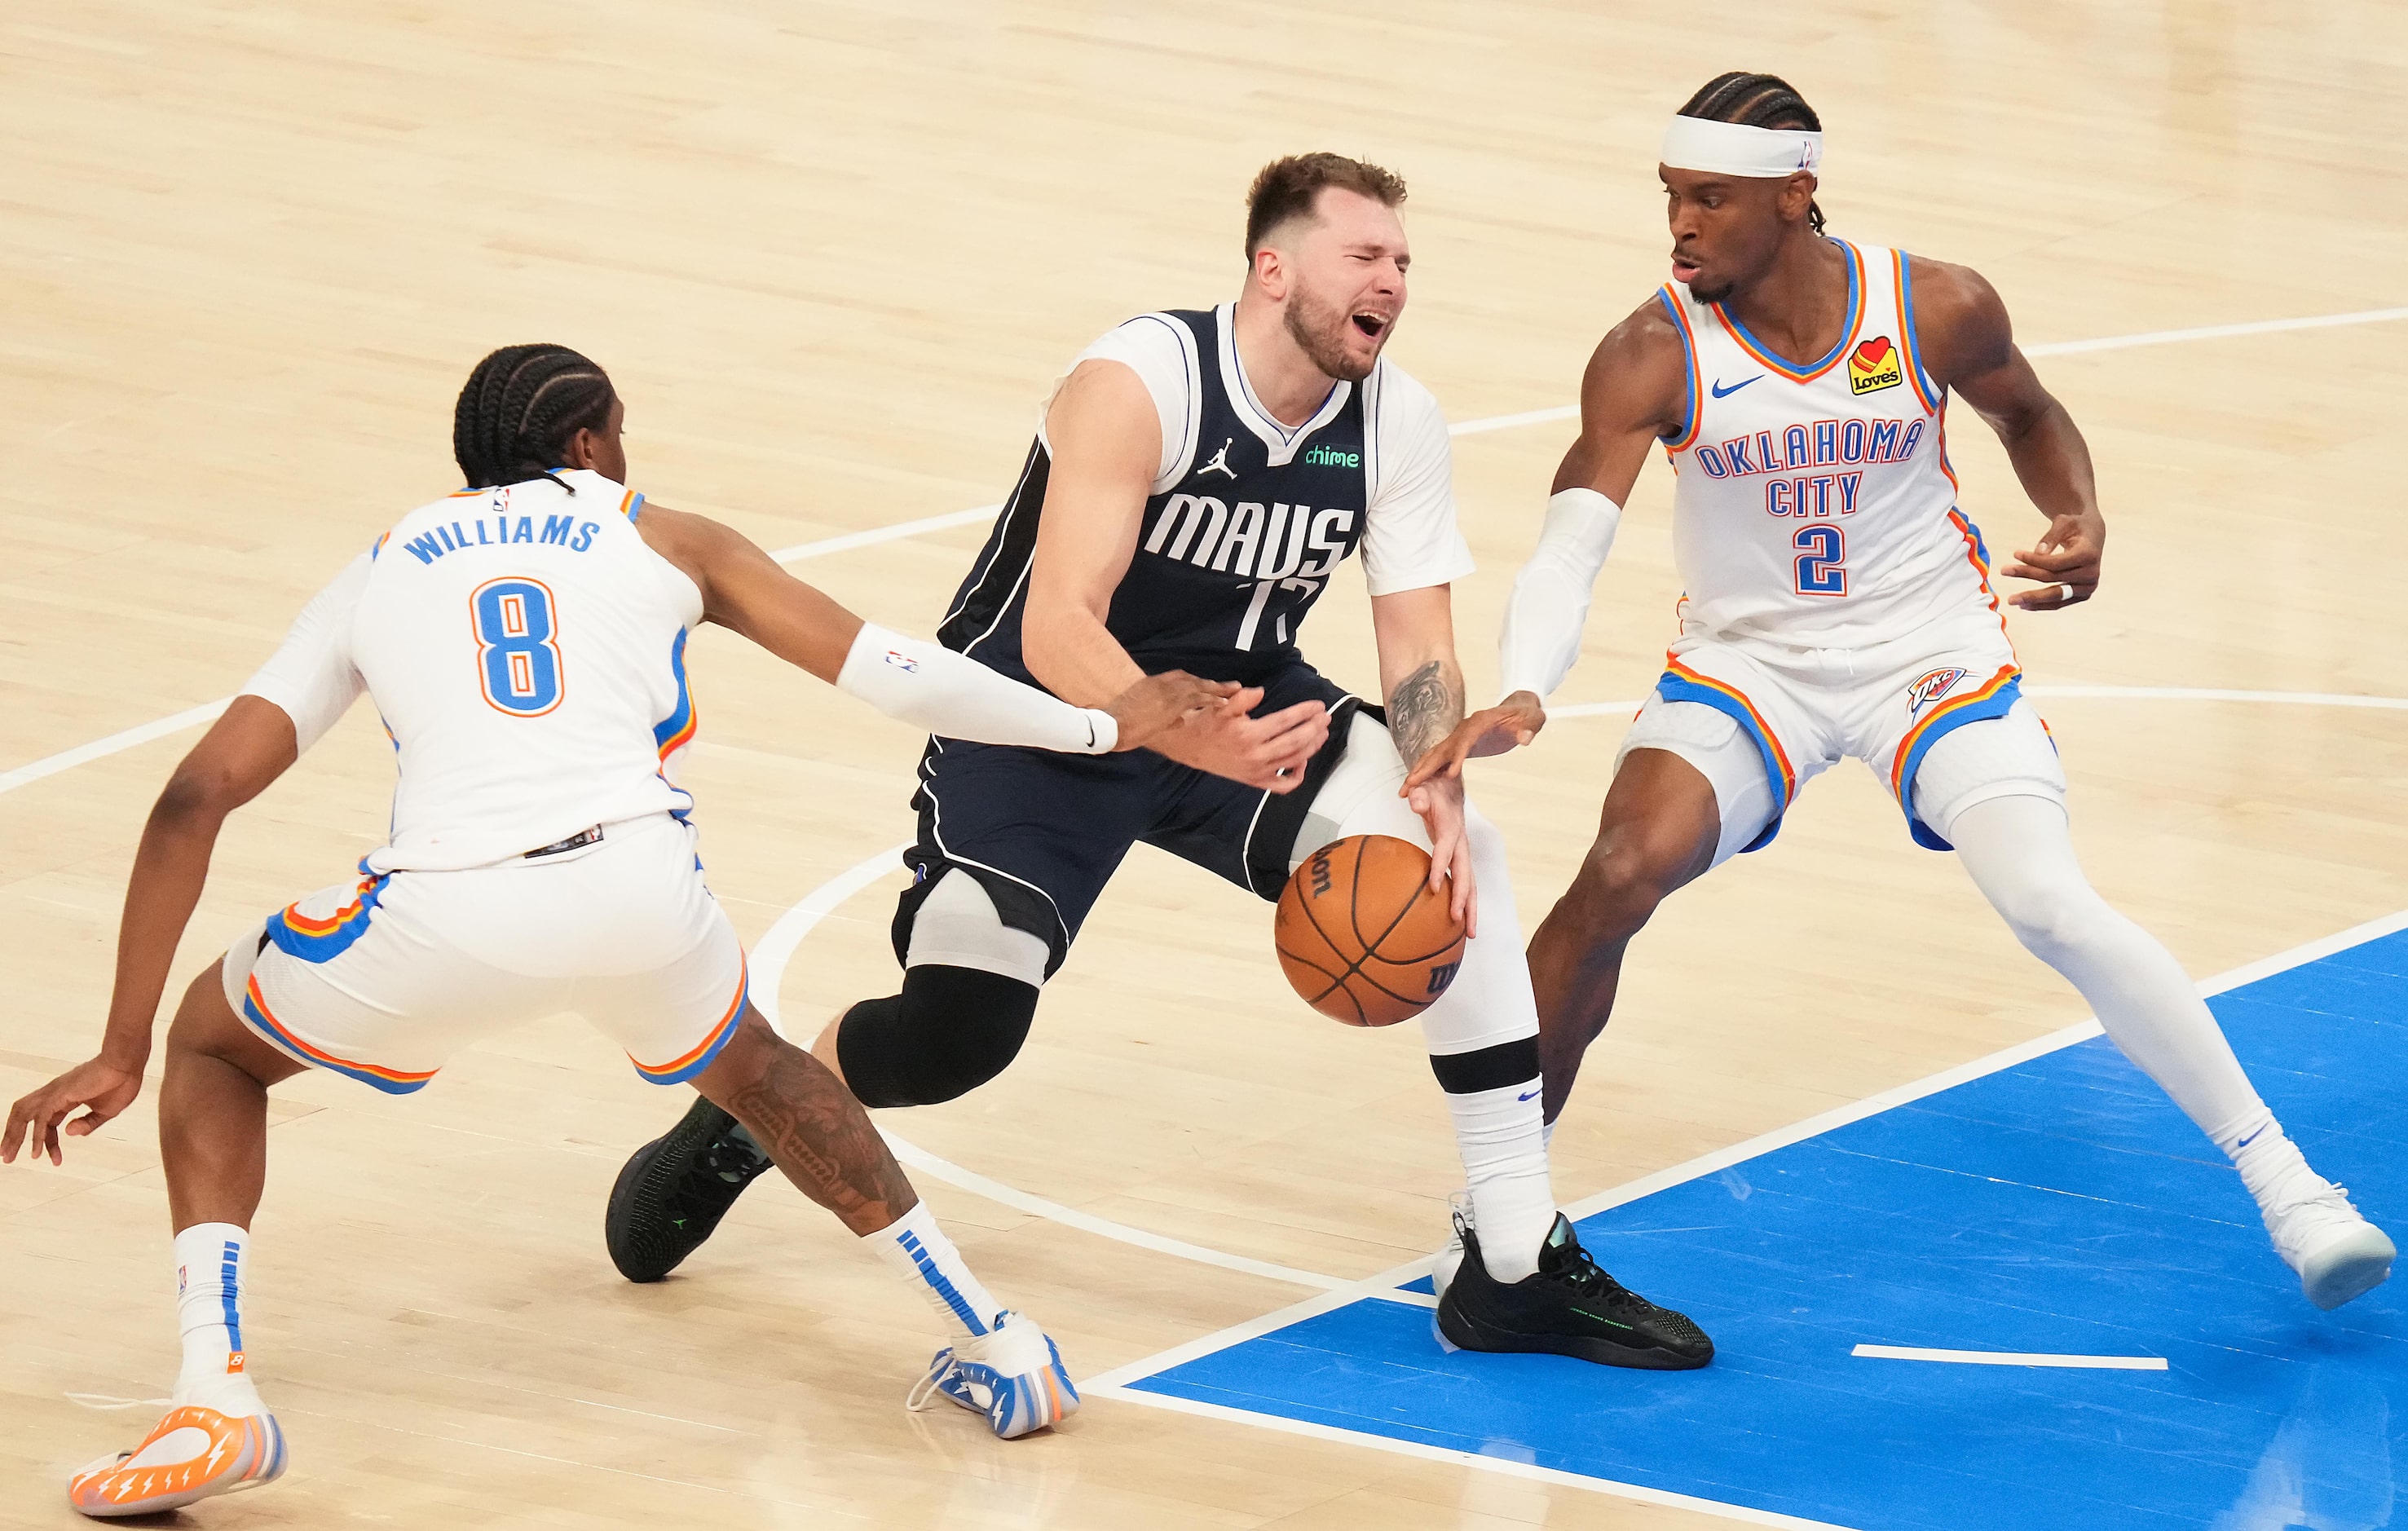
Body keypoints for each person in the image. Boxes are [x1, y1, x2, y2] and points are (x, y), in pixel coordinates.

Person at [2, 343, 1233, 1517]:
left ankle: (214, 1395)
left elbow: (192, 797)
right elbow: (892, 670)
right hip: (640, 887)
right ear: (588, 442)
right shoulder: (663, 534)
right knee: (760, 1068)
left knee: (210, 1044)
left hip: (447, 907)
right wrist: (1100, 726)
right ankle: (1000, 1340)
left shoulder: (382, 562)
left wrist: (119, 1048)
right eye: (622, 437)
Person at [602, 155, 1715, 1372]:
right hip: (1040, 716)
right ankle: (758, 1110)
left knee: (1466, 861)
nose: (1391, 281)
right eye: (1365, 256)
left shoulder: (1395, 416)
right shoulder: (1138, 380)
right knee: (956, 1036)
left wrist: (1434, 770)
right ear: (1272, 267)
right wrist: (1182, 727)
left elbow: (1413, 651)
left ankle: (1510, 1263)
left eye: (1402, 262)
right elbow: (1057, 624)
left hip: (1243, 711)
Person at [1409, 73, 2395, 1312]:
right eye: (1672, 198)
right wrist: (1521, 685)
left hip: (1926, 647)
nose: (1680, 226)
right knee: (1613, 875)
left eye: (1710, 199)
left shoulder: (1931, 303)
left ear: (1796, 194)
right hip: (1748, 663)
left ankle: (2292, 1189)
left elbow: (2029, 413)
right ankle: (1496, 1218)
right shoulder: (1651, 350)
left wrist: (2076, 515)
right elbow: (1569, 540)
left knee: (2045, 900)